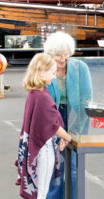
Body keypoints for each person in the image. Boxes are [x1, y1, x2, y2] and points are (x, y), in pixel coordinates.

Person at [16, 53, 72, 199]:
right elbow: (52, 125)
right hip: (44, 149)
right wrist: (67, 137)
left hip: (36, 147)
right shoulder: (42, 96)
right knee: (42, 192)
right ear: (42, 72)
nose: (54, 77)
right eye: (52, 73)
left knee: (39, 190)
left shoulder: (34, 93)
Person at [43, 31, 92, 199]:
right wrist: (58, 129)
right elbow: (43, 103)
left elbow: (85, 100)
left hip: (77, 115)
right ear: (49, 54)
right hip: (52, 118)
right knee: (55, 166)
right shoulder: (43, 69)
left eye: (65, 55)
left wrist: (74, 128)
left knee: (74, 165)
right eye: (58, 56)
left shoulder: (80, 68)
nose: (63, 59)